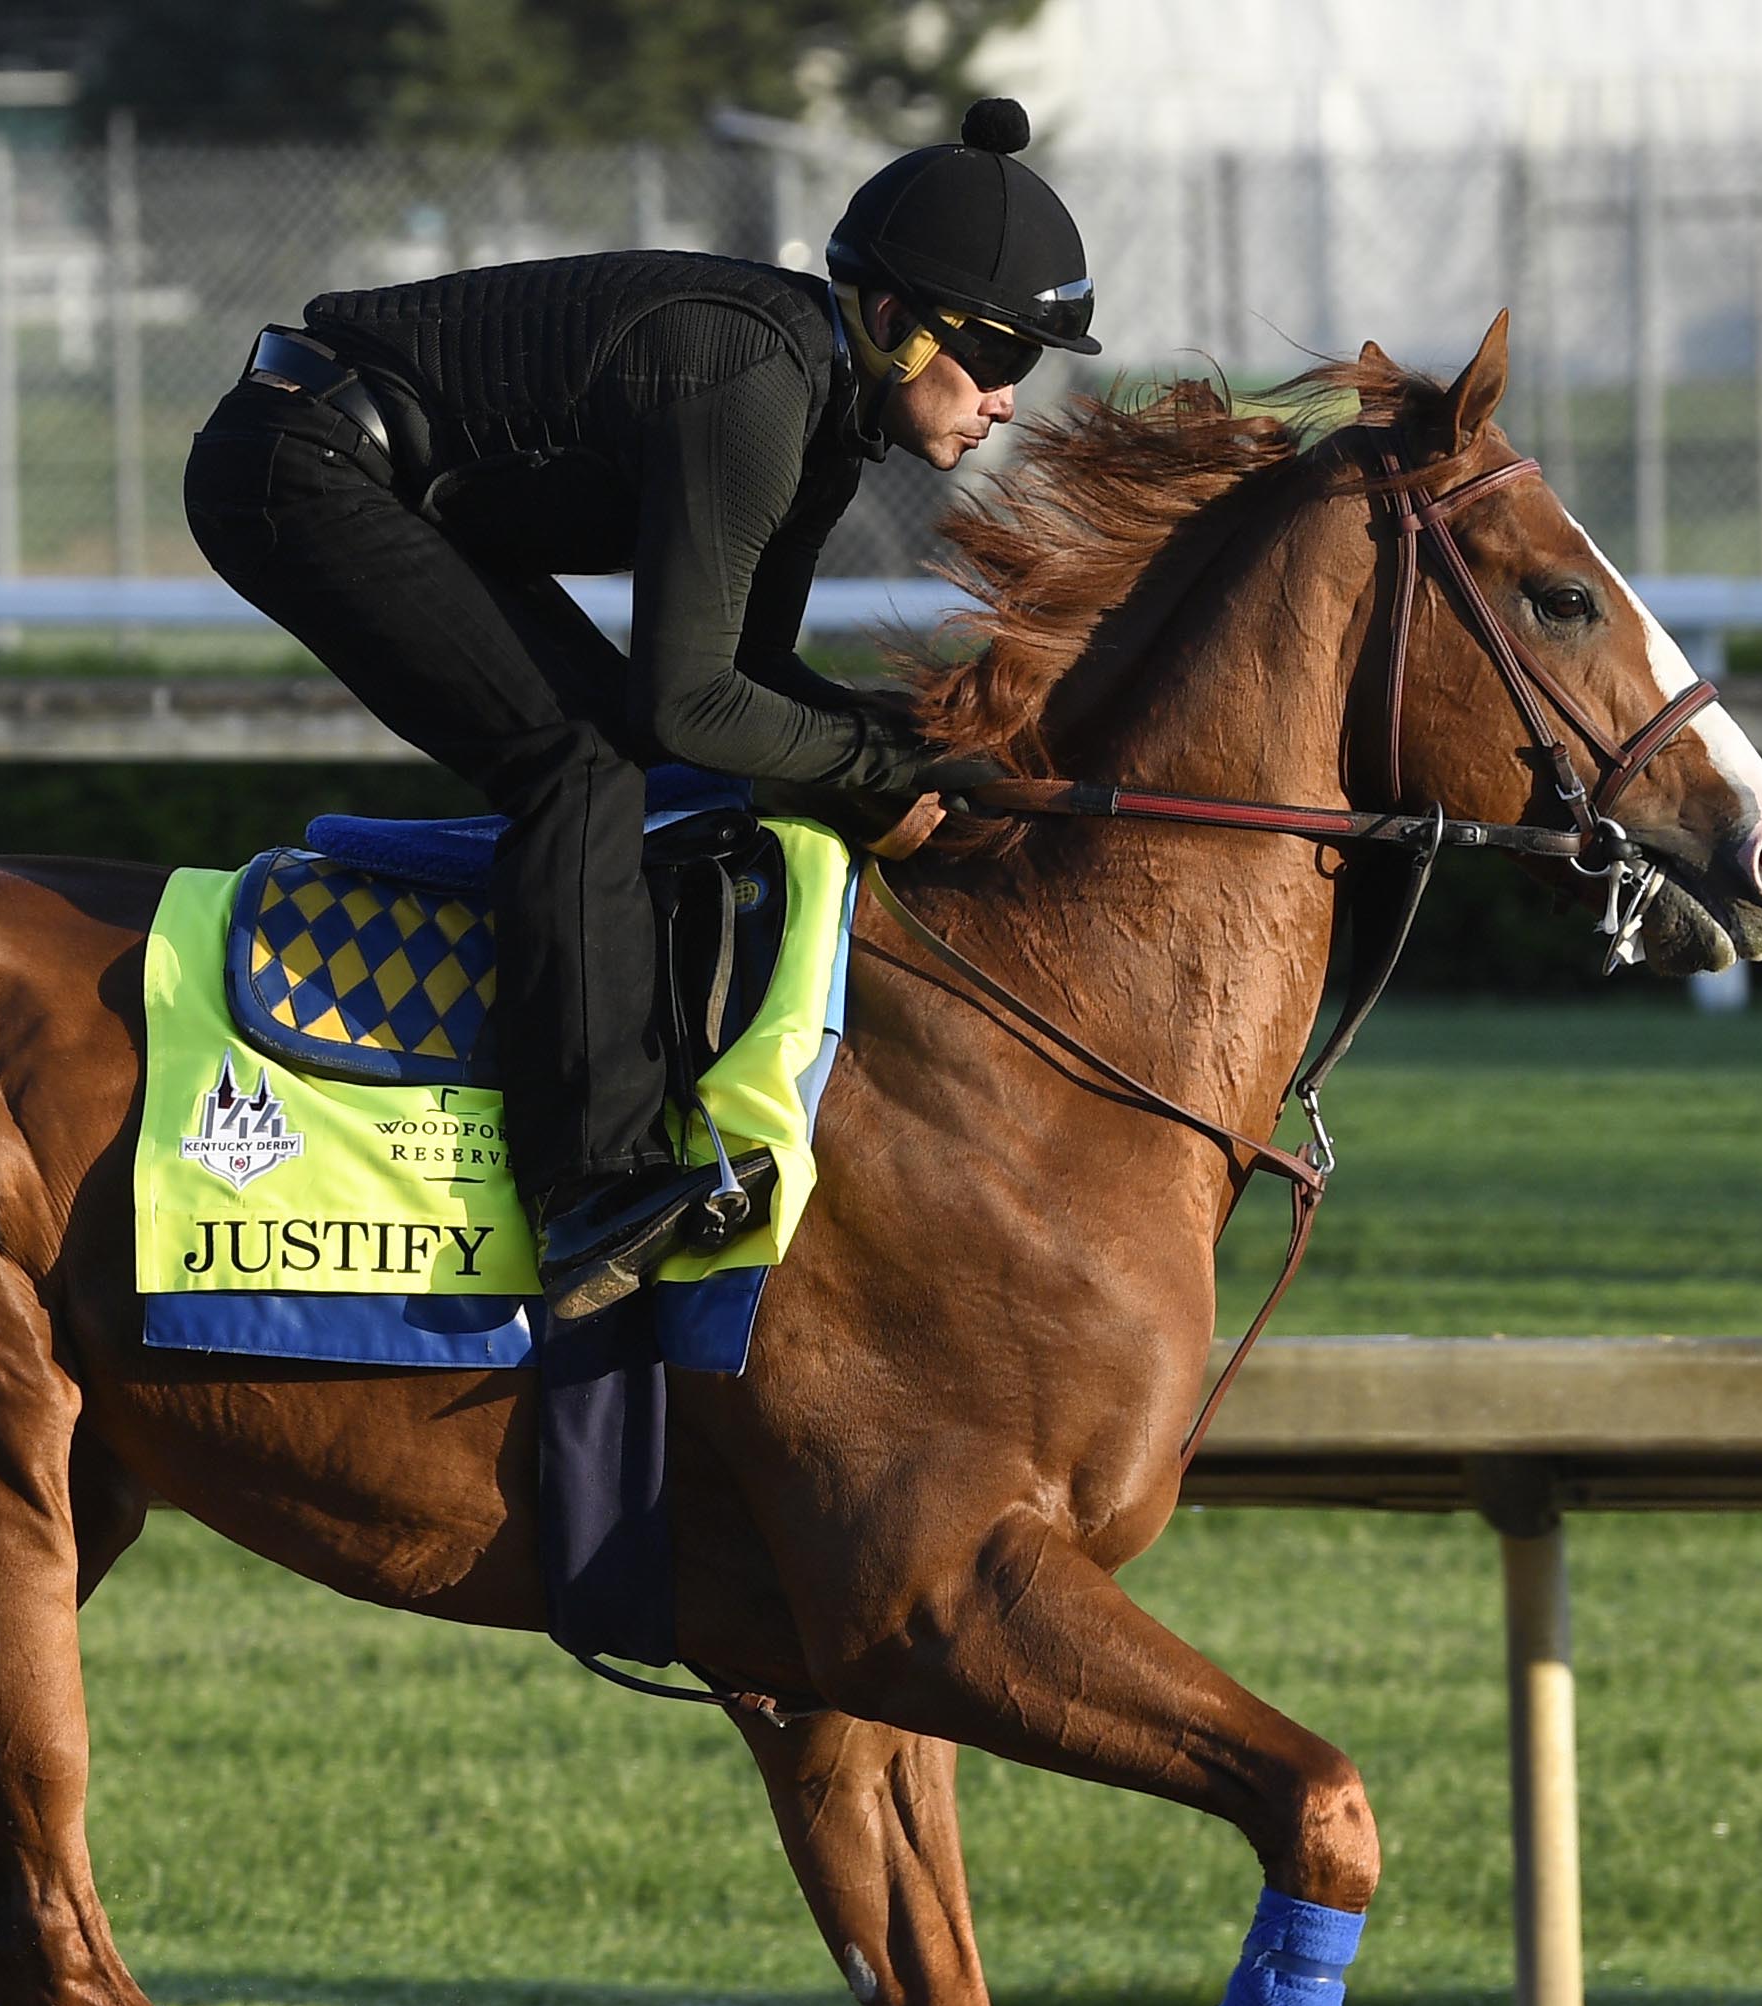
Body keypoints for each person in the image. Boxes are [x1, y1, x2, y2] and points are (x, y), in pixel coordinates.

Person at [184, 98, 1100, 1319]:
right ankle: (586, 1188)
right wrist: (869, 774)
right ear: (894, 322)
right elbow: (687, 704)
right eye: (996, 359)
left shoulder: (826, 418)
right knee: (580, 767)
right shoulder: (755, 382)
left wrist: (929, 754)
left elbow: (754, 680)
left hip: (387, 476)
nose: (1007, 401)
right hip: (299, 460)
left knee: (612, 755)